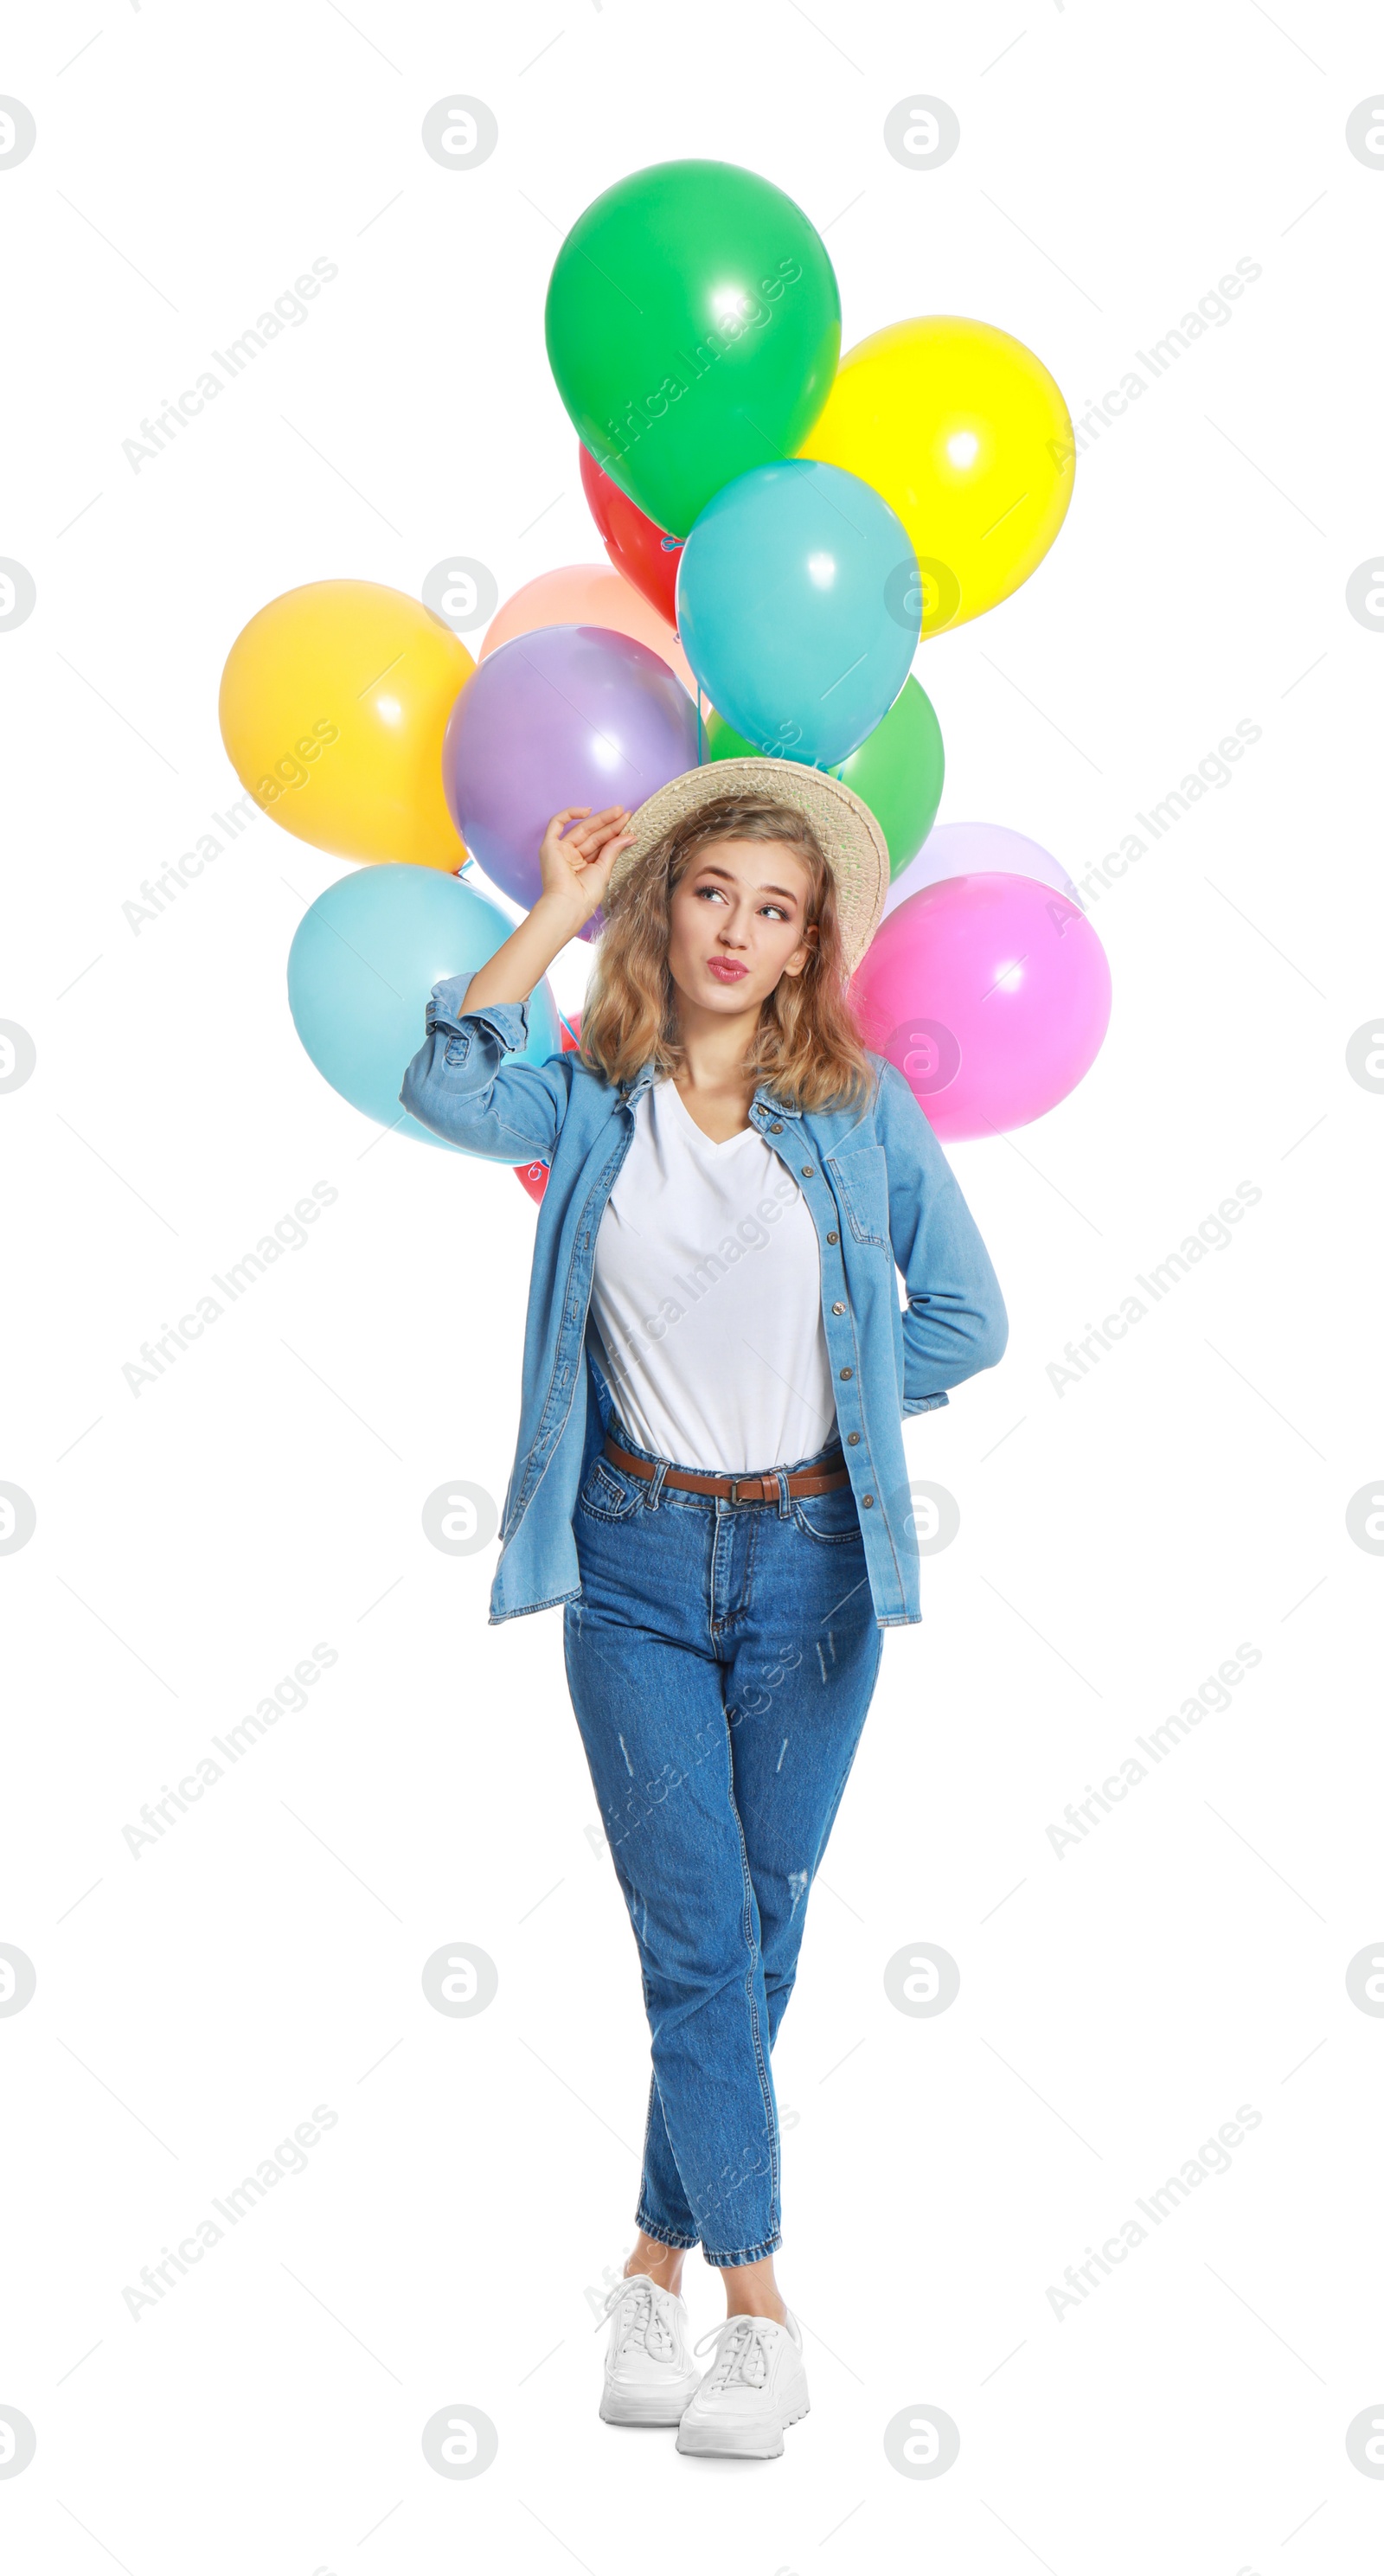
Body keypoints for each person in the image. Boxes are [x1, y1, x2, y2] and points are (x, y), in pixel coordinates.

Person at [400, 757, 1008, 2460]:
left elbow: (962, 1316)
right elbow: (446, 1082)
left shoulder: (859, 1110)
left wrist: (853, 1397)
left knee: (757, 1937)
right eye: (709, 892)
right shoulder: (592, 1097)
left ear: (809, 939)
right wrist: (551, 911)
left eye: (775, 906)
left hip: (814, 1563)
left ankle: (646, 2267)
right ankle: (763, 2317)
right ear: (662, 906)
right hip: (636, 1568)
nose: (737, 929)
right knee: (693, 1939)